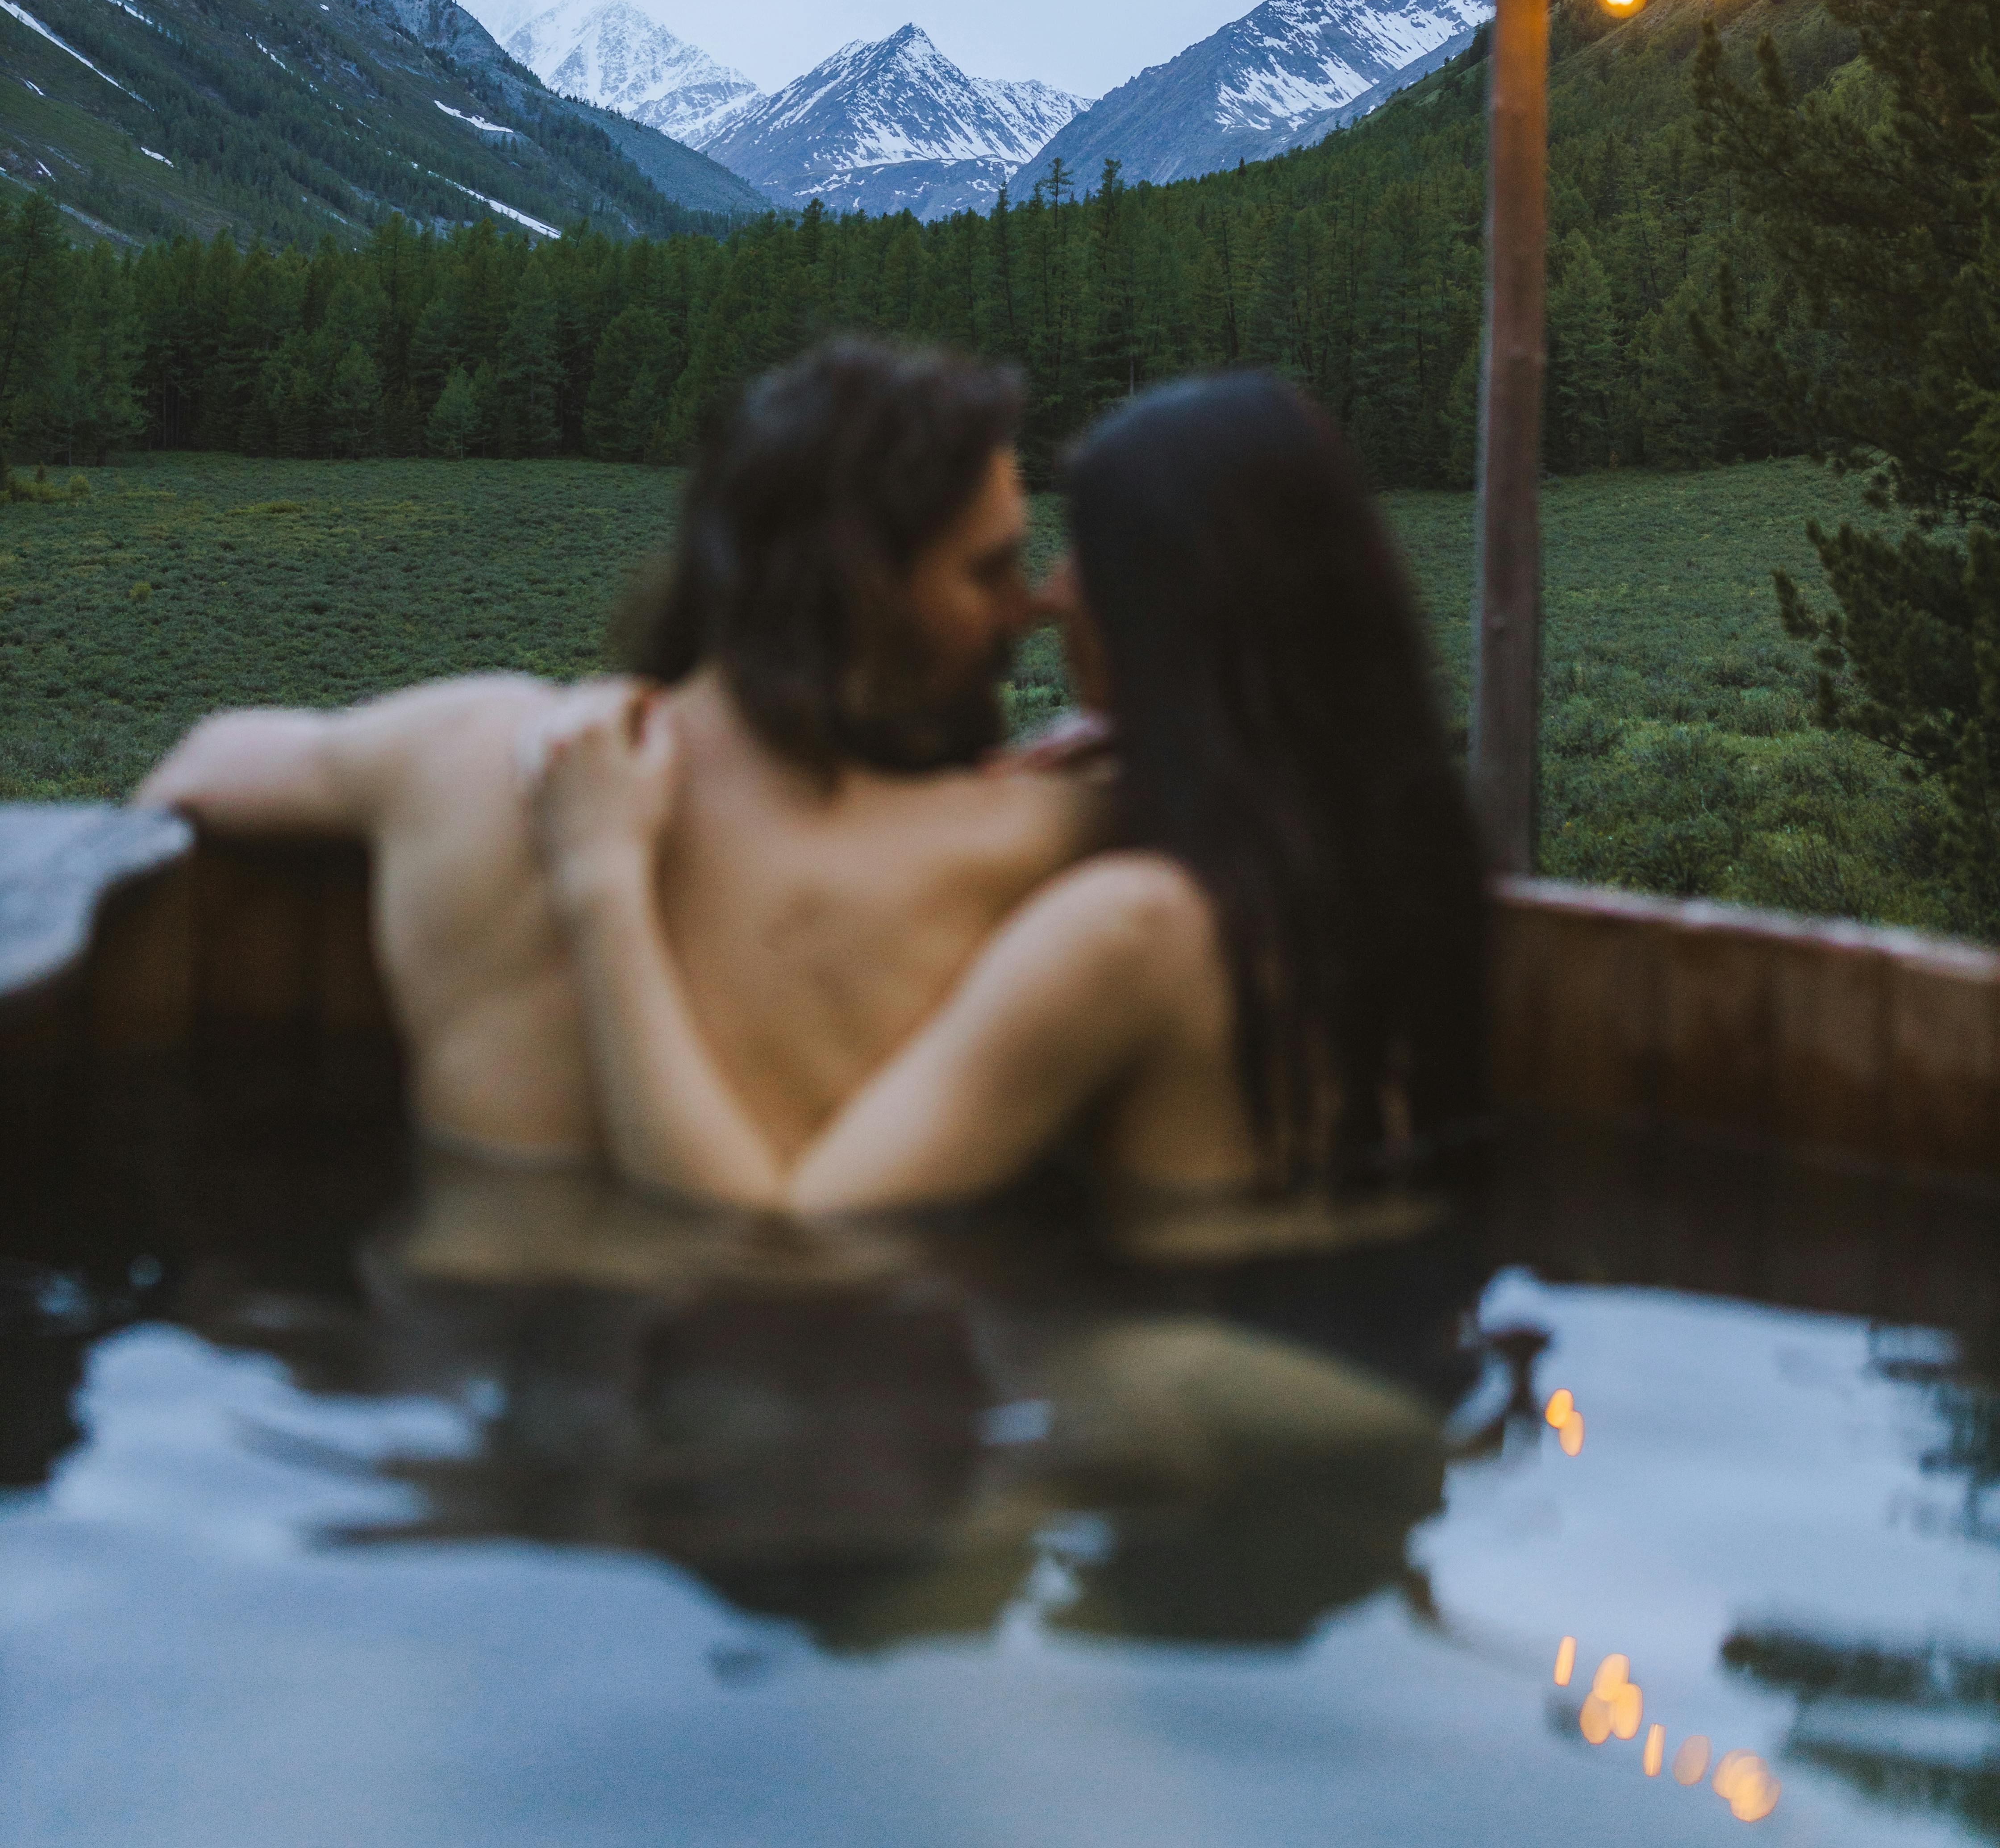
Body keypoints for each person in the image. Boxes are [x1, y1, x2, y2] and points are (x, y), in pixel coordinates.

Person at [529, 368, 1488, 1213]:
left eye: (1088, 553)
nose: (1046, 596)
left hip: (1176, 1388)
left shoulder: (1128, 931)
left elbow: (774, 1233)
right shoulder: (1368, 859)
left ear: (1172, 601)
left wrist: (602, 881)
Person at [136, 340, 1104, 1163]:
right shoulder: (983, 841)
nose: (1023, 608)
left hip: (465, 1332)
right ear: (865, 586)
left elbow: (201, 766)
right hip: (784, 1353)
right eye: (989, 569)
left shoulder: (474, 752)